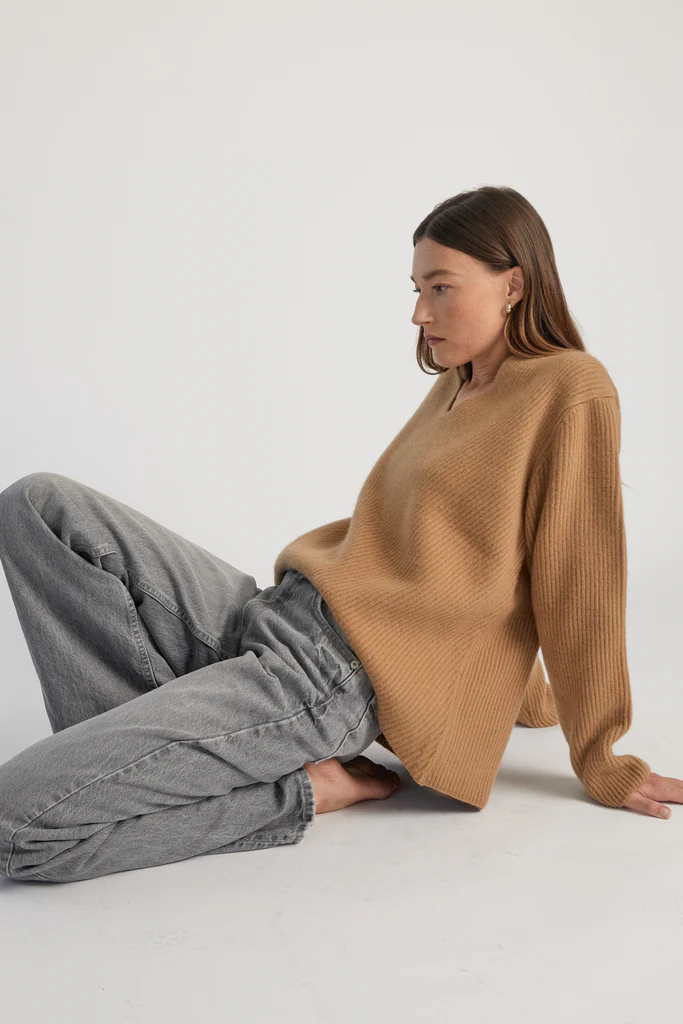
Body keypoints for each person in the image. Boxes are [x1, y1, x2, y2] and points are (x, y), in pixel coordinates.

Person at [0, 186, 679, 884]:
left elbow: (574, 574)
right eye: (417, 289)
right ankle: (135, 773)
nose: (419, 313)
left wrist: (598, 755)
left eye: (440, 288)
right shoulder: (456, 381)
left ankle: (293, 791)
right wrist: (517, 692)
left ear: (514, 284)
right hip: (275, 612)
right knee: (36, 504)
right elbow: (477, 558)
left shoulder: (570, 387)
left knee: (13, 825)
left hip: (330, 677)